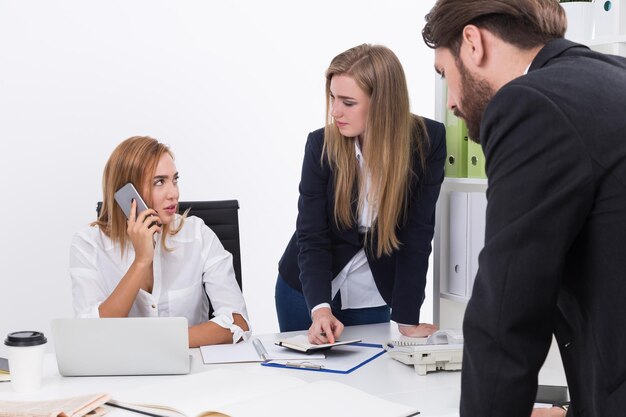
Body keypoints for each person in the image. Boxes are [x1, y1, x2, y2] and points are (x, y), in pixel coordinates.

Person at [422, 1, 626, 416]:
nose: (450, 105)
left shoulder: (529, 103)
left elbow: (507, 315)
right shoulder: (612, 74)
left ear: (473, 43)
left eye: (445, 74)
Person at [276, 44, 446, 344]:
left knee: (368, 382)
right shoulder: (320, 145)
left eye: (348, 102)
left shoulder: (427, 142)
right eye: (332, 98)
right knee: (305, 384)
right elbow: (311, 234)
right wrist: (319, 309)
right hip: (306, 291)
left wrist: (407, 318)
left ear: (382, 104)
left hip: (371, 291)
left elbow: (418, 236)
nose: (334, 111)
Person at [70, 136, 250, 348]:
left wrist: (161, 342)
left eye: (174, 180)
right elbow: (90, 335)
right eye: (159, 182)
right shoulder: (88, 245)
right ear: (127, 194)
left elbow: (239, 323)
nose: (173, 194)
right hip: (119, 375)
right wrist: (141, 261)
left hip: (189, 370)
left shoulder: (197, 235)